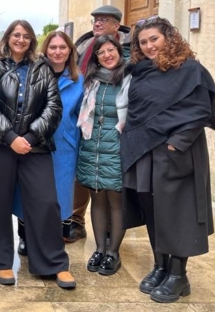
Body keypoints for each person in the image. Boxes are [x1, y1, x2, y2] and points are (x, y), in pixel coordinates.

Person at [120, 16, 215, 303]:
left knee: (177, 212)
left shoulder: (190, 70)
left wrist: (177, 143)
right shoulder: (140, 71)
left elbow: (200, 110)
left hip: (176, 152)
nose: (149, 46)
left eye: (154, 39)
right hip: (145, 150)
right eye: (143, 42)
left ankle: (178, 275)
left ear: (169, 38)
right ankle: (160, 266)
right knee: (153, 209)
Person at [0, 20, 75, 289]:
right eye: (16, 35)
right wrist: (10, 138)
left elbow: (53, 107)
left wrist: (30, 138)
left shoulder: (42, 68)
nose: (20, 40)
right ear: (8, 37)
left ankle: (54, 263)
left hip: (36, 147)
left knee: (46, 203)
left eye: (26, 36)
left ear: (32, 40)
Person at [13, 30, 84, 256]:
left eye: (62, 47)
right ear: (45, 50)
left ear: (70, 51)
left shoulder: (78, 80)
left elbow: (81, 115)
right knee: (28, 190)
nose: (57, 52)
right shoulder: (34, 74)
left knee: (61, 192)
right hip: (34, 141)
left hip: (64, 144)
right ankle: (25, 236)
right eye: (53, 47)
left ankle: (56, 236)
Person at [69, 5, 130, 242]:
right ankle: (76, 220)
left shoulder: (129, 51)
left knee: (111, 184)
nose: (97, 23)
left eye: (104, 20)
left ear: (117, 25)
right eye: (95, 19)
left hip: (114, 126)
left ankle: (111, 232)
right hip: (85, 121)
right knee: (83, 174)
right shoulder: (83, 46)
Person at [76, 35, 130, 276]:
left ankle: (113, 252)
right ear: (96, 57)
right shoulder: (91, 80)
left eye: (111, 50)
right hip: (92, 146)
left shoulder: (129, 78)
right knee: (97, 198)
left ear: (118, 51)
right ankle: (99, 249)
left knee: (116, 201)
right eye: (101, 52)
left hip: (117, 147)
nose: (107, 55)